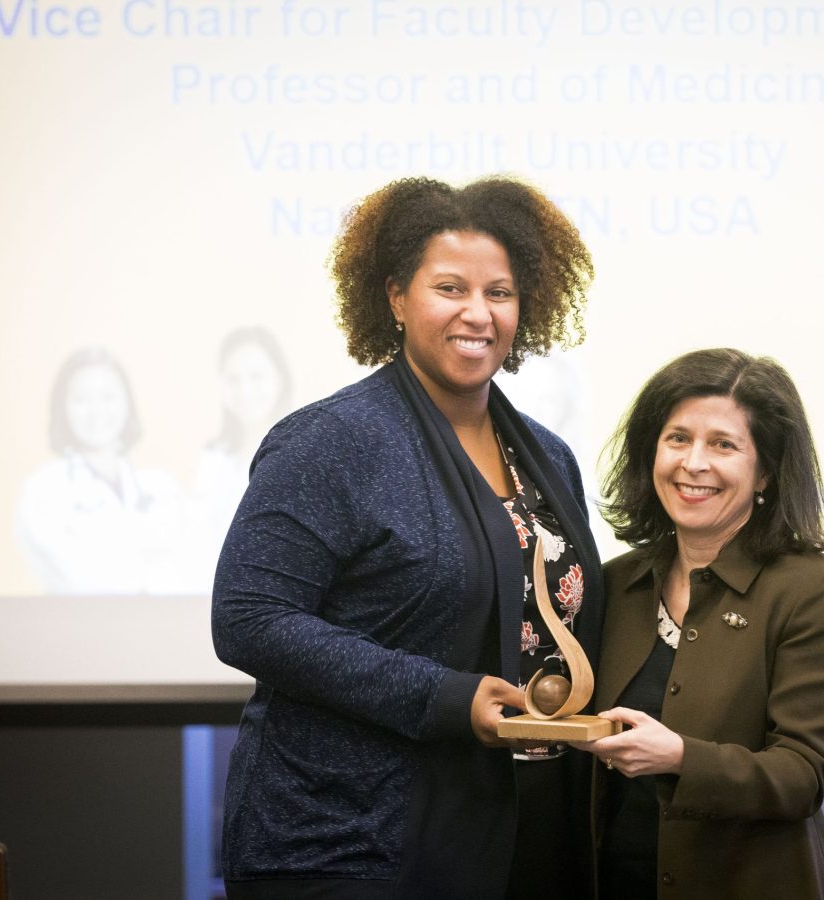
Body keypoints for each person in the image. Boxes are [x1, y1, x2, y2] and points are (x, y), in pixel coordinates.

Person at [211, 175, 602, 899]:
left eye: (499, 292)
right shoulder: (330, 441)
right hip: (350, 841)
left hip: (520, 831)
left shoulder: (549, 456)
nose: (477, 313)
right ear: (395, 297)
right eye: (450, 288)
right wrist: (442, 696)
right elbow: (249, 620)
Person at [577, 348, 824, 899]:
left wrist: (680, 758)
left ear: (766, 472)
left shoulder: (815, 590)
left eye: (723, 445)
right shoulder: (614, 583)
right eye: (678, 438)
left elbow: (800, 776)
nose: (693, 463)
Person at [15, 346, 185, 594]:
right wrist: (146, 559)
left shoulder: (161, 488)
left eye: (108, 397)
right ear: (62, 409)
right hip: (79, 619)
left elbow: (182, 572)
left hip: (159, 618)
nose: (96, 411)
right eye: (81, 399)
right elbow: (81, 580)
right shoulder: (42, 491)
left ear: (128, 404)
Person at [187, 326, 293, 588]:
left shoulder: (304, 449)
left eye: (256, 376)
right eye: (233, 379)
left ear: (279, 378)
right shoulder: (211, 459)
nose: (245, 389)